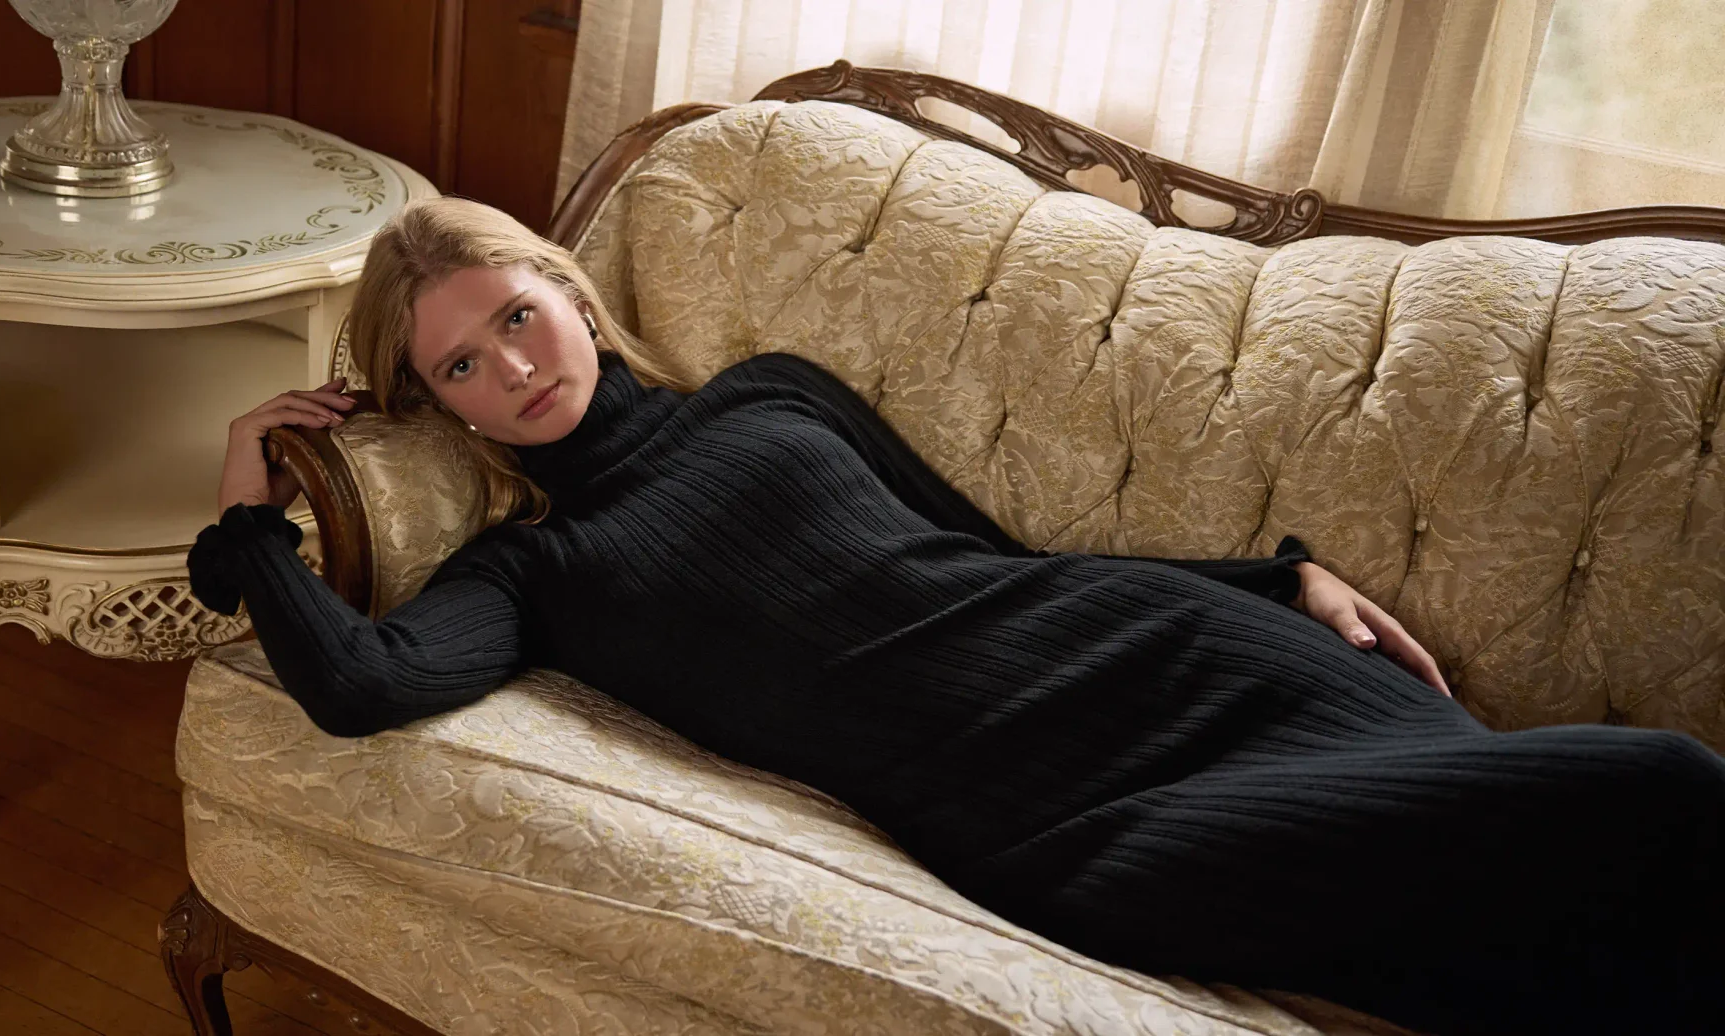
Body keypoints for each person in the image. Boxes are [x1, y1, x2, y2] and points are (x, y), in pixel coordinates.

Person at [187, 197, 1724, 1036]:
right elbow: (360, 687)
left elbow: (1000, 554)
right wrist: (250, 515)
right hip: (1061, 823)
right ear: (437, 406)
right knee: (1615, 828)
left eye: (517, 315)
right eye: (460, 367)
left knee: (1617, 860)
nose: (512, 368)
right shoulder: (536, 574)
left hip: (1187, 665)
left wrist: (1277, 578)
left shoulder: (772, 395)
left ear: (570, 292)